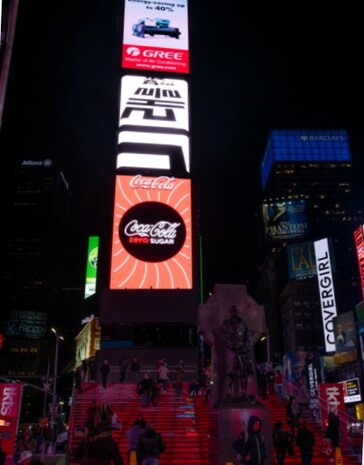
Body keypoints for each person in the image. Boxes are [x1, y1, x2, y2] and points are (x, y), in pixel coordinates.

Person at [220, 305, 254, 400]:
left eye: (236, 311)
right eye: (233, 311)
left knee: (244, 373)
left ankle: (243, 393)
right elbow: (223, 336)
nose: (235, 312)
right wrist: (231, 346)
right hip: (231, 351)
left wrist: (246, 347)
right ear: (230, 312)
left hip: (242, 351)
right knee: (229, 373)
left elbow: (248, 338)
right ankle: (228, 393)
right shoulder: (226, 324)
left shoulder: (243, 324)